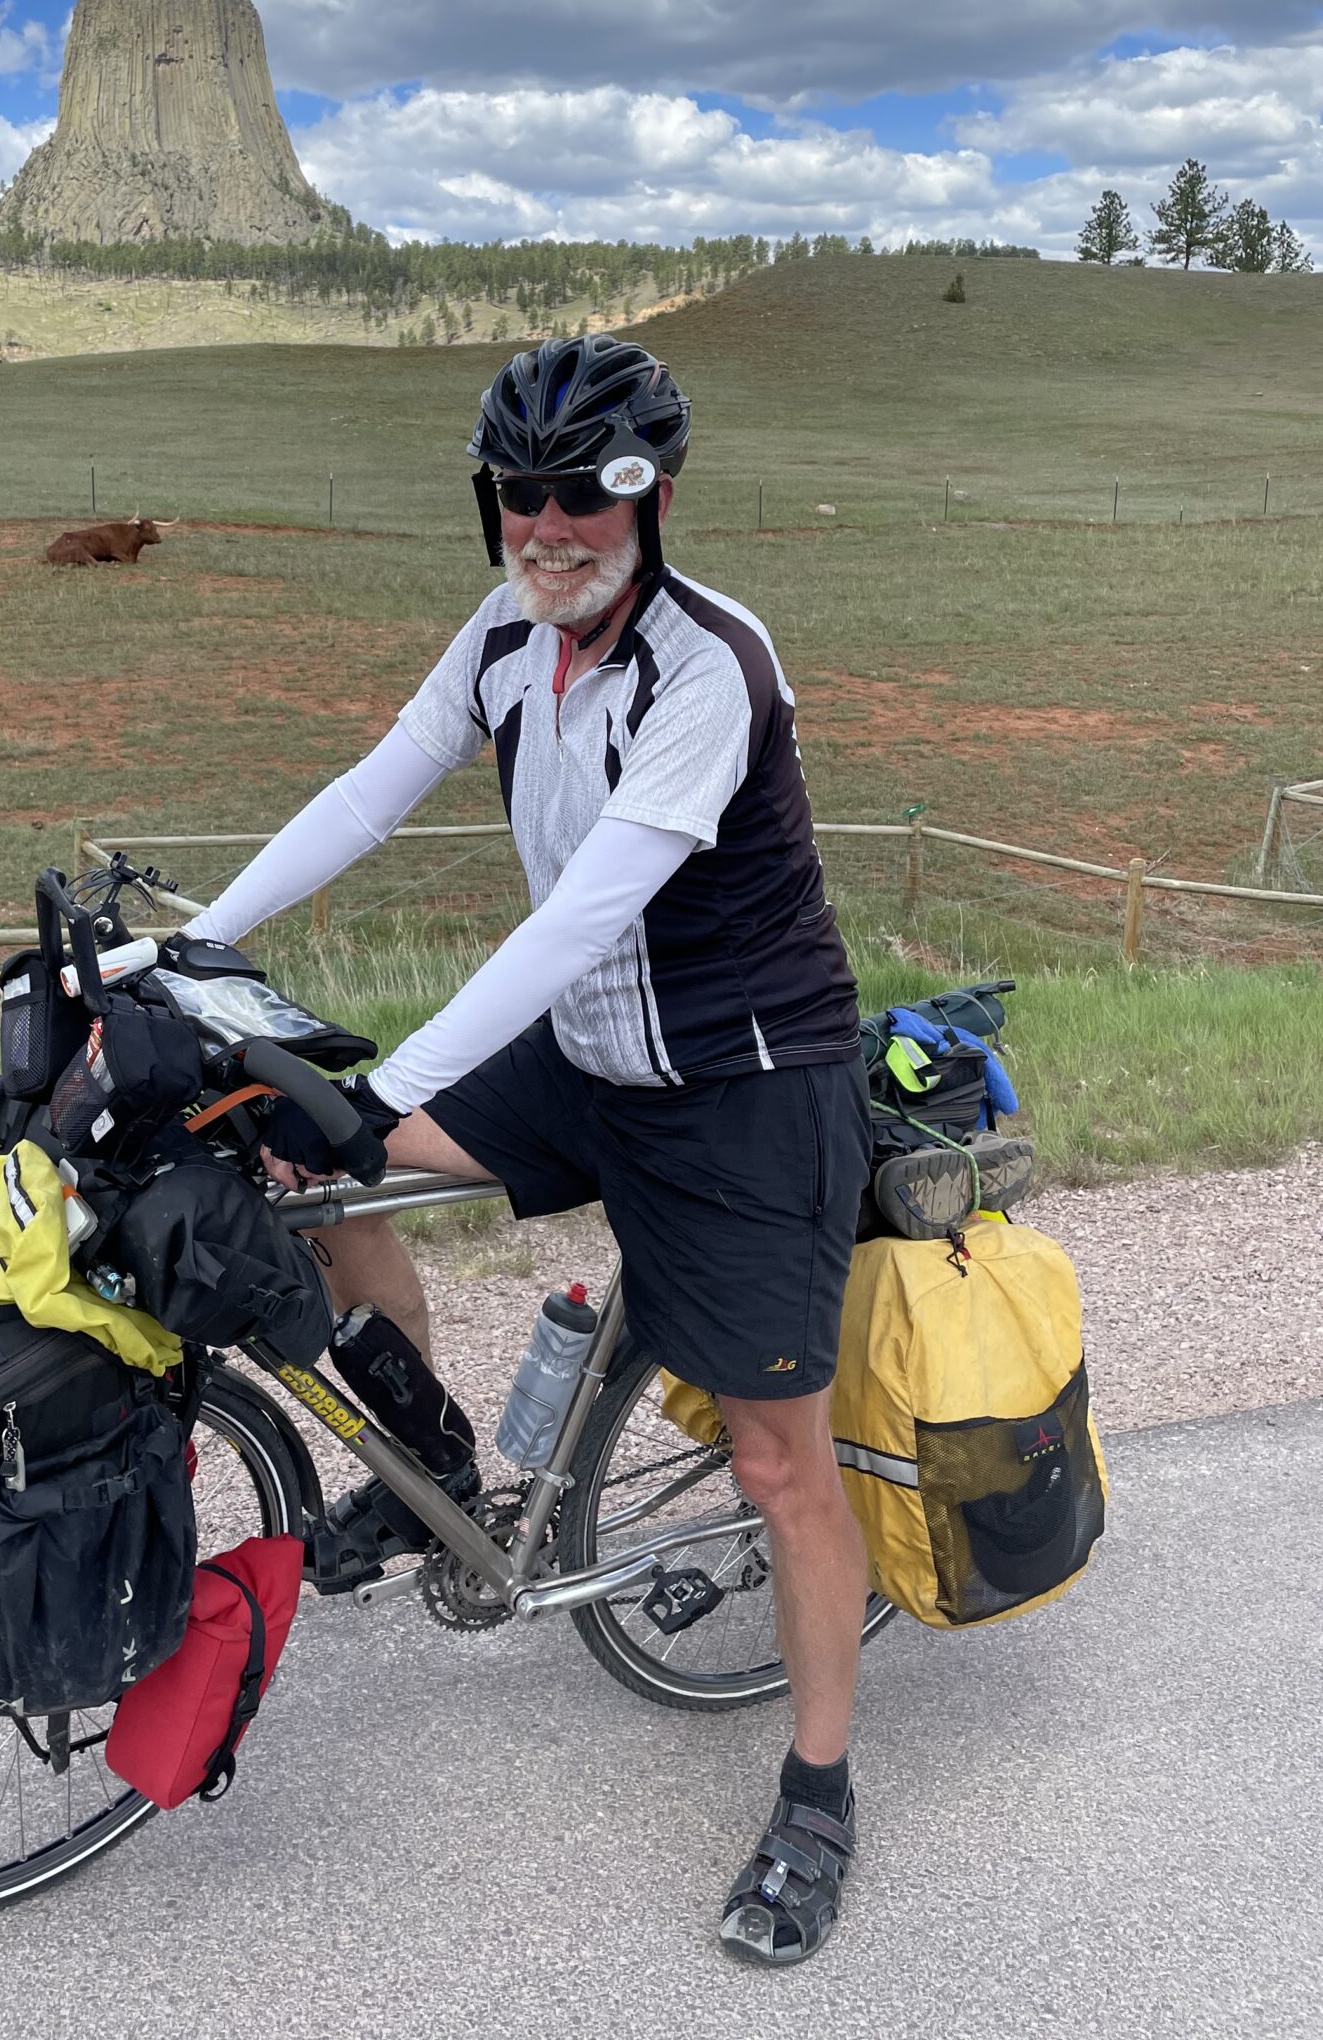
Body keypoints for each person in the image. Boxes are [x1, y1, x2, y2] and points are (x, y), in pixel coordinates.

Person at [182, 335, 872, 1968]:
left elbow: (587, 912)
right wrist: (190, 949)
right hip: (586, 1061)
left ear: (653, 500)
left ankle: (823, 1798)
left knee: (782, 1464)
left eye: (587, 495)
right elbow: (373, 789)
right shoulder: (506, 630)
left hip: (740, 1090)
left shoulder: (713, 668)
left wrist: (398, 1070)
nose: (549, 527)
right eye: (520, 496)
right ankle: (430, 1484)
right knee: (313, 1168)